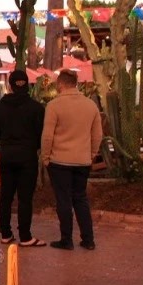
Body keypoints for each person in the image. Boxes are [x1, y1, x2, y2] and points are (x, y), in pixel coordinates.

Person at [41, 69, 104, 250]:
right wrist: (91, 154)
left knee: (63, 200)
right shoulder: (90, 105)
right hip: (82, 161)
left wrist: (46, 157)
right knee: (81, 199)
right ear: (75, 83)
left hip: (59, 161)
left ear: (61, 84)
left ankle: (66, 239)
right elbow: (97, 135)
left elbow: (47, 136)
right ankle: (88, 239)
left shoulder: (54, 106)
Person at [0, 69, 46, 246]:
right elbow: (41, 134)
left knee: (5, 196)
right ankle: (26, 236)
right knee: (25, 198)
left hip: (6, 155)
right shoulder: (36, 108)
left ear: (10, 85)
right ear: (26, 84)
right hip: (27, 156)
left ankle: (5, 233)